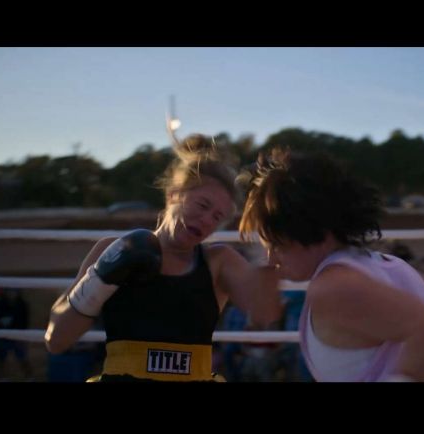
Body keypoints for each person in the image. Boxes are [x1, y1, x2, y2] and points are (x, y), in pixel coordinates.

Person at [44, 134, 282, 382]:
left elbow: (265, 313)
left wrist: (269, 238)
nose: (206, 220)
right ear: (174, 195)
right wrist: (101, 277)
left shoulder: (218, 261)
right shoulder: (112, 248)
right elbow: (56, 340)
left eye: (217, 217)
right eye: (202, 205)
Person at [238, 150, 424, 382]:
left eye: (278, 245)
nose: (272, 258)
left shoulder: (332, 287)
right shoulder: (394, 266)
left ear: (313, 229)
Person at [0, 288, 32, 380]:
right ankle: (1, 378)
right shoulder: (1, 303)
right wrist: (1, 320)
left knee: (22, 358)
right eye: (9, 291)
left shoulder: (22, 304)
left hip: (18, 336)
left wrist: (22, 336)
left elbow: (25, 322)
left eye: (13, 291)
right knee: (1, 359)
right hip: (3, 336)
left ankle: (29, 377)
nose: (11, 293)